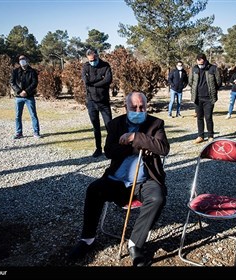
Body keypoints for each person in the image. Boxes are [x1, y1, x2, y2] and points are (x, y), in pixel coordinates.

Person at [67, 91, 170, 267]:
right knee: (94, 190)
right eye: (134, 107)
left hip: (145, 180)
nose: (138, 110)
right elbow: (110, 152)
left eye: (142, 107)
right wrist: (138, 147)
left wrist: (135, 137)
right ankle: (87, 239)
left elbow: (162, 148)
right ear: (126, 107)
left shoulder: (156, 123)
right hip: (117, 180)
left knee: (157, 197)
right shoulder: (115, 124)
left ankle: (135, 244)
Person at [82, 49, 113, 158]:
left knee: (109, 126)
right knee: (96, 127)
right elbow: (86, 81)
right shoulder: (86, 66)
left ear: (98, 57)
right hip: (91, 101)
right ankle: (98, 148)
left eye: (94, 59)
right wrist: (100, 80)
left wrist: (94, 83)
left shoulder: (105, 65)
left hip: (103, 101)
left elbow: (108, 80)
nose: (92, 61)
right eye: (90, 60)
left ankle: (110, 148)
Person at [188, 53, 222, 144]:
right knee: (199, 117)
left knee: (208, 117)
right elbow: (190, 82)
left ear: (205, 61)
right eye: (199, 63)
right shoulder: (194, 69)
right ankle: (200, 136)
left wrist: (213, 90)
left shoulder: (213, 68)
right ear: (196, 61)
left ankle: (210, 136)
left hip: (209, 98)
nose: (200, 65)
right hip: (197, 98)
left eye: (202, 63)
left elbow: (219, 82)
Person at [10, 54, 41, 139]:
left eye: (23, 59)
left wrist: (26, 91)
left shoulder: (33, 71)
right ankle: (19, 132)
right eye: (20, 59)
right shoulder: (15, 71)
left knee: (33, 115)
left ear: (27, 60)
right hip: (18, 97)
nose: (22, 60)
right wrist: (19, 91)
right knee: (17, 116)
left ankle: (36, 132)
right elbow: (12, 82)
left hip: (29, 97)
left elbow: (34, 83)